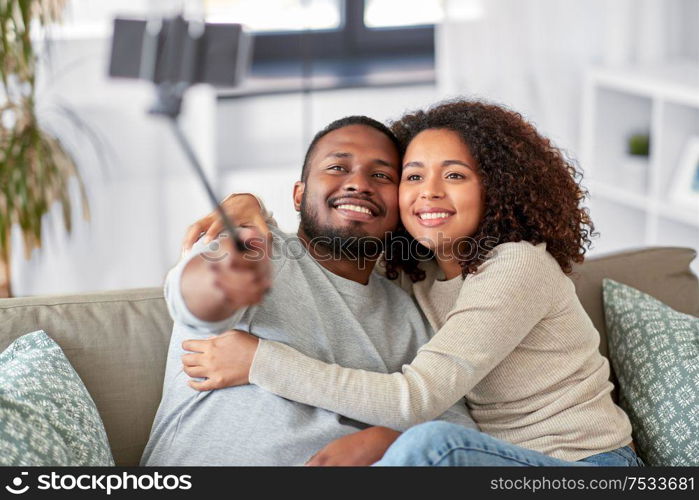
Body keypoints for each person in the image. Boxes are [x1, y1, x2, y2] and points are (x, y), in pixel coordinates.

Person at [180, 99, 644, 467]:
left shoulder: (516, 266)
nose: (430, 192)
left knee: (433, 447)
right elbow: (330, 241)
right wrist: (249, 206)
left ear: (495, 189)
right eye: (412, 176)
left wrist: (261, 360)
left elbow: (414, 400)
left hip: (584, 465)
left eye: (456, 176)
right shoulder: (415, 275)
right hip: (491, 461)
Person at [140, 115, 476, 466]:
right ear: (299, 195)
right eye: (337, 167)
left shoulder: (410, 314)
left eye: (381, 175)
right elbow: (193, 300)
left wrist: (389, 440)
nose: (359, 184)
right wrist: (221, 280)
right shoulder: (254, 249)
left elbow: (455, 439)